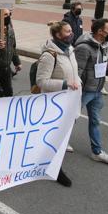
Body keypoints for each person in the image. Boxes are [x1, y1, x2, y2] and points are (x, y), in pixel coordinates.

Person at [36, 21, 82, 187]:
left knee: (62, 135)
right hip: (55, 104)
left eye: (71, 31)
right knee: (56, 137)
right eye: (68, 31)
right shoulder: (49, 55)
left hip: (70, 100)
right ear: (58, 35)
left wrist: (77, 82)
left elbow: (73, 72)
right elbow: (41, 81)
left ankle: (47, 161)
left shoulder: (69, 50)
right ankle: (55, 169)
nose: (72, 33)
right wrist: (65, 84)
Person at [74, 18, 108, 164]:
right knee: (70, 119)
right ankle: (55, 145)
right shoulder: (84, 48)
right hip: (84, 91)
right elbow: (77, 71)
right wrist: (76, 91)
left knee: (95, 121)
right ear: (100, 31)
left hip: (97, 89)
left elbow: (106, 59)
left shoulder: (105, 44)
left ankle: (97, 152)